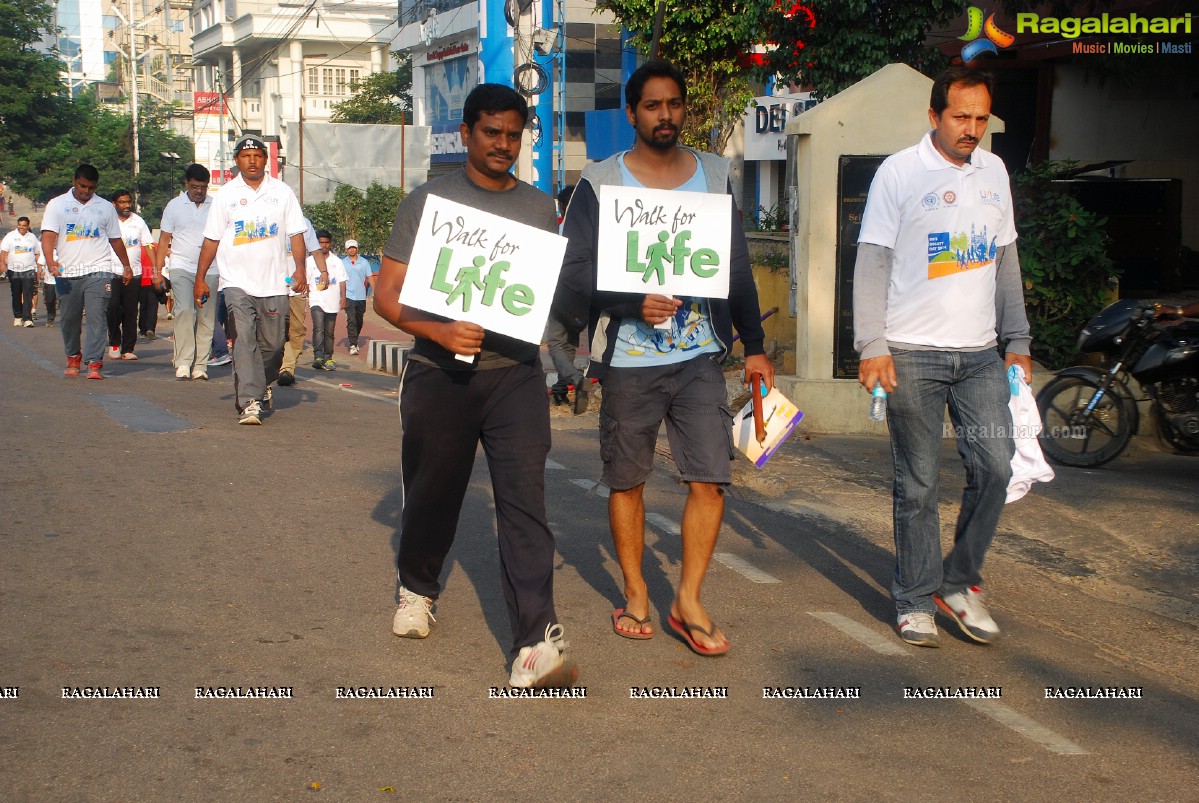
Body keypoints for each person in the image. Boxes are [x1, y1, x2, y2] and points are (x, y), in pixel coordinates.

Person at [555, 60, 774, 655]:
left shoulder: (713, 173)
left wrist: (754, 347)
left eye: (675, 104)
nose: (666, 115)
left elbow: (735, 266)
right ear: (632, 114)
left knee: (711, 478)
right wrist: (631, 303)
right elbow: (571, 274)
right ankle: (635, 593)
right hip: (627, 358)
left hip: (701, 353)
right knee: (628, 480)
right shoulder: (600, 183)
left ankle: (688, 599)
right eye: (653, 106)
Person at [375, 83, 577, 689]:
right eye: (491, 132)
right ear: (466, 133)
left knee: (525, 501)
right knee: (435, 493)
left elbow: (544, 293)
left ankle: (534, 639)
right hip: (440, 376)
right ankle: (417, 587)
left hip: (514, 374)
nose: (503, 145)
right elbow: (387, 296)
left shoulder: (542, 209)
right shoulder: (428, 202)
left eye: (513, 135)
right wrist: (438, 331)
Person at [853, 65, 1031, 648]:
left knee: (997, 468)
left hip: (980, 356)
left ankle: (958, 581)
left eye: (981, 118)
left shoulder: (995, 171)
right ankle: (914, 598)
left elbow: (1006, 260)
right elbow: (873, 261)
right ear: (934, 116)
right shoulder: (900, 173)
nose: (971, 128)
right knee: (920, 483)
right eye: (961, 116)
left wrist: (1018, 342)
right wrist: (872, 345)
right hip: (911, 356)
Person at [194, 135, 323, 425]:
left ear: (266, 160)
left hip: (275, 283)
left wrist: (301, 269)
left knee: (275, 345)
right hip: (236, 282)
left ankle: (262, 383)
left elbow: (297, 235)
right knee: (243, 342)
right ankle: (249, 402)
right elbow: (211, 239)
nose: (252, 160)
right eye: (245, 155)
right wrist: (201, 278)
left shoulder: (283, 192)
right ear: (237, 160)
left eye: (258, 155)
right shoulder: (225, 195)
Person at [41, 164, 133, 380]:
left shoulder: (105, 207)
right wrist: (50, 260)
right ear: (74, 181)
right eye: (82, 186)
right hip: (67, 272)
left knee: (97, 316)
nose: (86, 191)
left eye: (91, 188)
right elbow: (47, 235)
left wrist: (126, 266)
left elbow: (115, 239)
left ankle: (94, 361)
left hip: (99, 270)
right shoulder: (57, 205)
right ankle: (73, 355)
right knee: (69, 318)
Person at [155, 164, 216, 380]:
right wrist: (157, 271)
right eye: (194, 187)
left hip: (211, 268)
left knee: (206, 316)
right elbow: (163, 240)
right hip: (181, 266)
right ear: (186, 184)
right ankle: (183, 361)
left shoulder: (216, 206)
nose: (199, 191)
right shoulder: (174, 206)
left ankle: (201, 365)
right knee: (185, 311)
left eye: (203, 187)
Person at [544, 184, 589, 412]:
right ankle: (562, 390)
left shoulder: (559, 230)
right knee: (570, 343)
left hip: (560, 295)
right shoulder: (591, 230)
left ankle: (575, 378)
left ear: (562, 206)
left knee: (556, 343)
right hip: (584, 297)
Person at [105, 190, 153, 360]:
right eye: (122, 202)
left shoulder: (138, 221)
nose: (126, 205)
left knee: (131, 311)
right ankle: (114, 343)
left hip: (135, 273)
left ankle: (128, 349)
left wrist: (155, 269)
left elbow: (148, 244)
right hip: (112, 271)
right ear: (114, 204)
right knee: (112, 308)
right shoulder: (108, 221)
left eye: (128, 202)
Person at [277, 220, 320, 387]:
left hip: (297, 287)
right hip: (272, 287)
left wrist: (323, 272)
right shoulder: (269, 216)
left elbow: (315, 250)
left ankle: (287, 368)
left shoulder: (304, 223)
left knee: (296, 329)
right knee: (276, 329)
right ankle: (282, 366)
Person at [308, 229, 346, 370]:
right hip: (316, 299)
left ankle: (328, 357)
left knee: (329, 331)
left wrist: (343, 298)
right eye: (320, 243)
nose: (323, 245)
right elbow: (307, 281)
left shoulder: (337, 261)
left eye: (326, 243)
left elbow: (342, 281)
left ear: (330, 243)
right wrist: (306, 297)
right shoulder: (310, 261)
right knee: (318, 328)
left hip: (332, 300)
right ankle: (318, 356)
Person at [1, 216, 42, 327]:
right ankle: (18, 316)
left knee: (28, 294)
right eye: (19, 225)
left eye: (24, 225)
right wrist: (2, 264)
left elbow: (37, 253)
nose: (21, 227)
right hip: (14, 270)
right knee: (16, 293)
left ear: (28, 225)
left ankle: (27, 319)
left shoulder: (32, 237)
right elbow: (3, 251)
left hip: (29, 269)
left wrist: (39, 268)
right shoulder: (10, 236)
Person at [341, 239, 375, 356]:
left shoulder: (364, 262)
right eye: (350, 248)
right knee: (351, 320)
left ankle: (354, 338)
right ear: (346, 249)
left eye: (354, 247)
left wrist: (375, 292)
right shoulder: (343, 263)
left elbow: (370, 277)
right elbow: (340, 280)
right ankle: (353, 344)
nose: (352, 249)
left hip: (361, 296)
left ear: (357, 248)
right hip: (348, 295)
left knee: (359, 321)